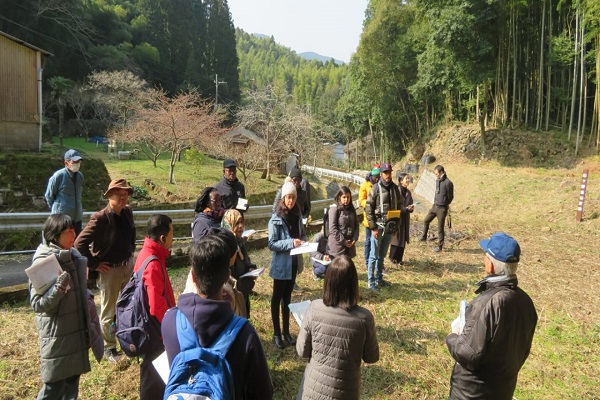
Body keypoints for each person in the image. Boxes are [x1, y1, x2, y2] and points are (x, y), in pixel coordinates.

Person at [162, 234, 273, 400]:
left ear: (193, 277)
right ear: (227, 275)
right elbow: (263, 393)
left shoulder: (170, 321)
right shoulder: (245, 333)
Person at [446, 232, 537, 400]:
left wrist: (453, 336)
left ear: (491, 266)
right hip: (503, 390)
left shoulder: (487, 303)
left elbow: (467, 353)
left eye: (485, 256)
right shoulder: (526, 302)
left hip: (472, 393)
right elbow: (523, 350)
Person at [30, 214, 99, 400]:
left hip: (75, 336)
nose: (73, 234)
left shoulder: (74, 257)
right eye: (68, 231)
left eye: (73, 230)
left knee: (71, 388)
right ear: (54, 235)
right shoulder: (43, 262)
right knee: (53, 390)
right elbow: (38, 305)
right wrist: (58, 288)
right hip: (57, 339)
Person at [296, 255, 379, 400]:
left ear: (328, 281)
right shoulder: (365, 318)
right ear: (354, 283)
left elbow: (302, 350)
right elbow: (372, 357)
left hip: (312, 390)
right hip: (346, 392)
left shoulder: (314, 308)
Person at [75, 178, 136, 363]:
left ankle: (126, 339)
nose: (123, 197)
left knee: (127, 307)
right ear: (110, 195)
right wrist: (94, 264)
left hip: (126, 266)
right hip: (110, 271)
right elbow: (79, 244)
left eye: (126, 194)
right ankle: (109, 347)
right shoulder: (100, 217)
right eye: (119, 194)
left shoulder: (127, 212)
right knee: (109, 310)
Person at [133, 214, 176, 400]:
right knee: (153, 378)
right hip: (156, 331)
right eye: (172, 234)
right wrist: (171, 327)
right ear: (163, 238)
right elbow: (156, 306)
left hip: (152, 328)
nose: (173, 239)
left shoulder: (148, 253)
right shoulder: (153, 263)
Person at [268, 179, 306, 349]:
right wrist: (291, 243)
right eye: (287, 197)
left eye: (293, 197)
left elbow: (302, 235)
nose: (290, 201)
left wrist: (303, 243)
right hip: (280, 265)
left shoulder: (298, 216)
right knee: (277, 298)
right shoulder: (276, 218)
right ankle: (277, 333)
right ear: (283, 198)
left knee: (288, 299)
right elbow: (272, 243)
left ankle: (287, 332)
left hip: (293, 263)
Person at [272, 167, 310, 292]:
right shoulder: (283, 191)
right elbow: (275, 209)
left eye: (299, 180)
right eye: (294, 180)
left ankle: (293, 282)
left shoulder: (303, 192)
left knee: (295, 261)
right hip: (284, 227)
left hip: (297, 225)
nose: (297, 183)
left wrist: (303, 217)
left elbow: (306, 206)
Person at [365, 163, 400, 291]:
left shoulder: (395, 189)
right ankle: (370, 281)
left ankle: (379, 279)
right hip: (378, 228)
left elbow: (399, 208)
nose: (387, 175)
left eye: (389, 172)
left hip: (390, 228)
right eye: (385, 173)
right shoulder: (375, 188)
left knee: (382, 255)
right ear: (381, 174)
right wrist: (373, 227)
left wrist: (397, 226)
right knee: (373, 256)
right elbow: (368, 209)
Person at [221, 209, 258, 317]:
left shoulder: (240, 241)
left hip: (243, 289)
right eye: (237, 223)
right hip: (232, 292)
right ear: (228, 224)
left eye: (242, 222)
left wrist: (251, 269)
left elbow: (246, 260)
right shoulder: (224, 245)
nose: (241, 226)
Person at [44, 149, 84, 235]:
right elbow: (49, 196)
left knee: (75, 245)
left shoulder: (80, 176)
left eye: (78, 161)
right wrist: (57, 210)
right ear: (66, 163)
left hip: (77, 220)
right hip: (62, 221)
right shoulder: (58, 176)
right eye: (74, 161)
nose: (77, 164)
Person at [420, 164, 454, 252]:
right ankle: (424, 236)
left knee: (440, 228)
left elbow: (450, 197)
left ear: (441, 172)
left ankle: (440, 246)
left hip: (442, 208)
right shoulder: (437, 180)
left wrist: (444, 203)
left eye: (436, 173)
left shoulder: (448, 183)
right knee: (426, 220)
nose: (436, 175)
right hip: (434, 206)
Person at [389, 172, 415, 265]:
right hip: (397, 218)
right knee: (396, 238)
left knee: (403, 238)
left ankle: (399, 259)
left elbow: (411, 204)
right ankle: (392, 258)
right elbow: (394, 206)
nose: (408, 180)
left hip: (405, 218)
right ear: (401, 181)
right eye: (406, 178)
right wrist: (405, 209)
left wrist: (411, 208)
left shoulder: (408, 192)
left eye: (408, 178)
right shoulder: (396, 191)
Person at [327, 185, 359, 259]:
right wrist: (344, 241)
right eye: (344, 197)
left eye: (348, 197)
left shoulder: (352, 209)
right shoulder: (334, 209)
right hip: (337, 247)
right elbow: (332, 228)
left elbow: (356, 224)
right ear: (339, 197)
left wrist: (355, 238)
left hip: (349, 246)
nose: (346, 199)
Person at [359, 166, 380, 268]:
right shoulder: (365, 185)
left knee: (377, 241)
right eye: (376, 177)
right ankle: (368, 262)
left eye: (378, 176)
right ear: (371, 176)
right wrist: (369, 203)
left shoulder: (380, 184)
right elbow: (361, 200)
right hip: (368, 217)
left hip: (379, 217)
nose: (377, 178)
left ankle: (377, 262)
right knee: (368, 240)